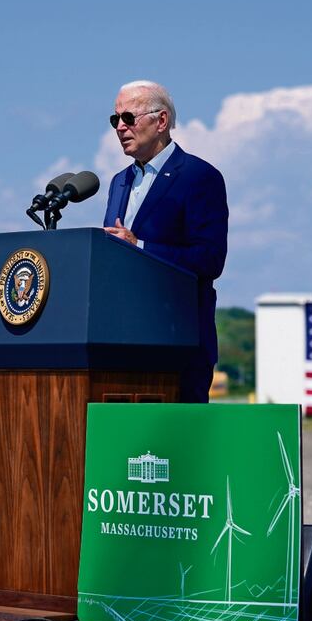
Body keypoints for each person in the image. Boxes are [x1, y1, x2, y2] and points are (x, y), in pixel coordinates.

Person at [103, 80, 229, 402]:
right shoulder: (119, 182)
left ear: (161, 121)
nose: (119, 127)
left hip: (178, 344)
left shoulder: (199, 177)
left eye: (128, 118)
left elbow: (210, 259)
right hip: (121, 343)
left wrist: (140, 248)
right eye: (114, 119)